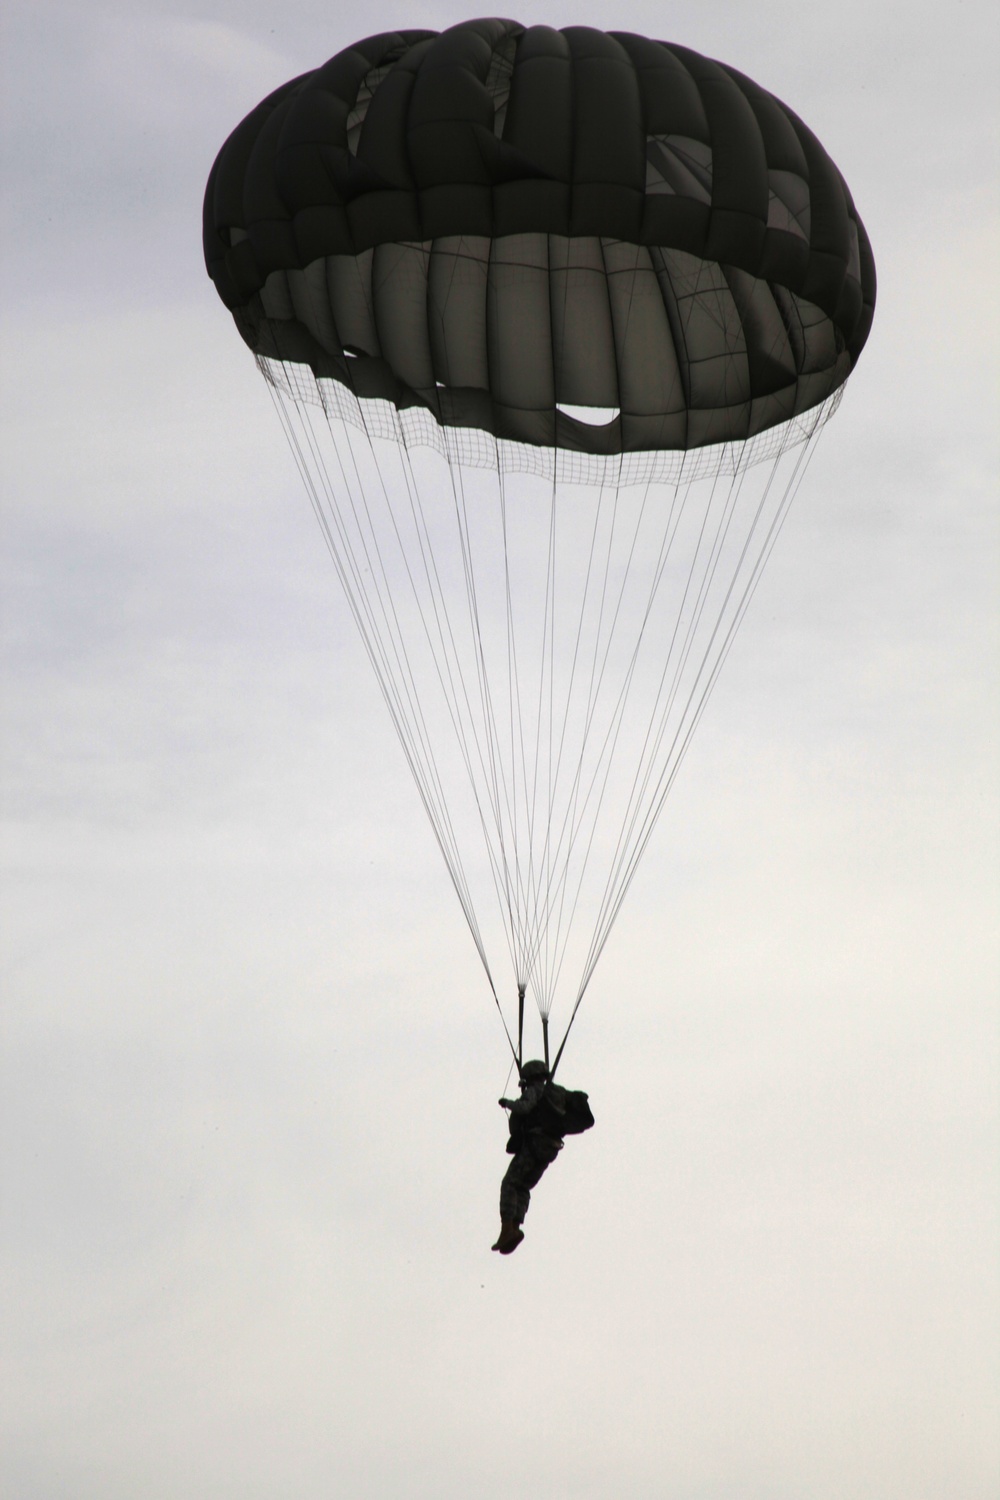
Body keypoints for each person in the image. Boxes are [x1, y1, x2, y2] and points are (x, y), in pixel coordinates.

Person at [492, 1059, 594, 1254]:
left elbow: (525, 1107)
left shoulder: (535, 1091)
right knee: (523, 1186)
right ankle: (515, 1226)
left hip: (534, 1144)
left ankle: (508, 1228)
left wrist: (507, 1103)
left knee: (510, 1183)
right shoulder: (558, 1092)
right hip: (549, 1148)